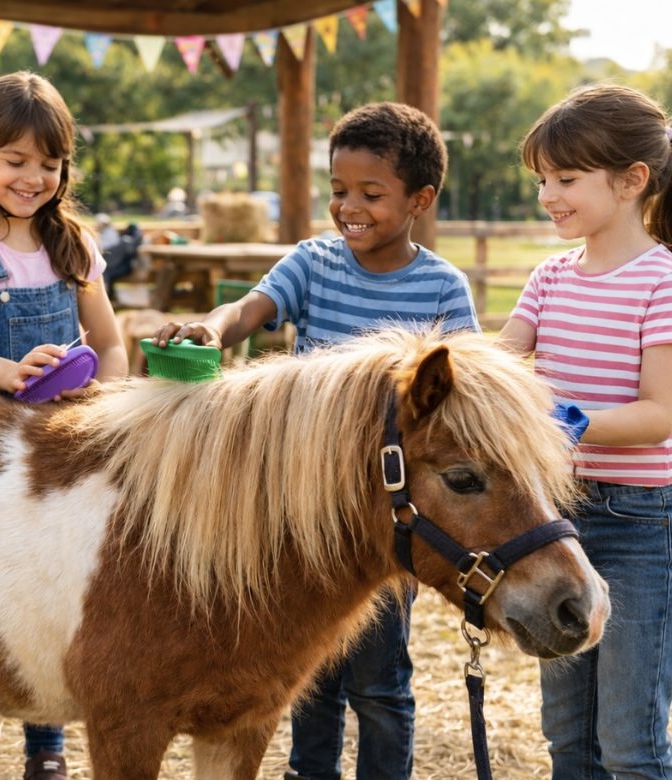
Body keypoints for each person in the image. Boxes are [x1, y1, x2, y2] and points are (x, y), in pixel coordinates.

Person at [151, 101, 480, 780]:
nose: (347, 207)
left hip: (382, 514)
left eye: (370, 194)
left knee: (379, 681)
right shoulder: (314, 262)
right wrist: (214, 329)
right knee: (303, 678)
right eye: (337, 190)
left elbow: (459, 390)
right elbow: (250, 308)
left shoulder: (441, 286)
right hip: (303, 513)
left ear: (419, 199)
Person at [0, 71, 128, 780]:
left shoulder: (71, 242)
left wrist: (110, 398)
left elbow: (106, 336)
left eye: (49, 163)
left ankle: (47, 745)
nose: (33, 177)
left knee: (62, 580)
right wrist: (12, 374)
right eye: (16, 160)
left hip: (66, 437)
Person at [498, 83, 672, 780]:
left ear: (631, 180)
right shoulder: (548, 279)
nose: (548, 194)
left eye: (566, 178)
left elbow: (655, 416)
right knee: (567, 741)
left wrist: (553, 426)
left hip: (641, 527)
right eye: (543, 178)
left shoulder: (664, 282)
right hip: (559, 520)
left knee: (630, 746)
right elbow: (498, 363)